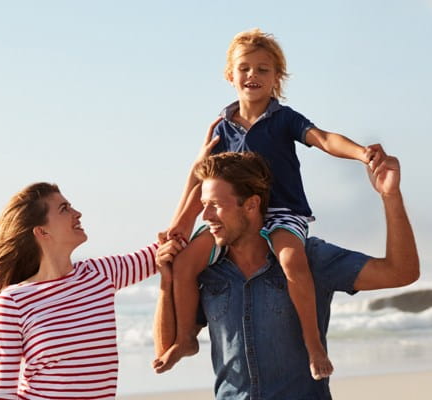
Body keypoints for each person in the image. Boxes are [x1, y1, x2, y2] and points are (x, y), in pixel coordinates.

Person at [156, 29, 384, 380]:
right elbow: (202, 181)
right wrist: (179, 225)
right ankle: (187, 338)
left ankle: (313, 345)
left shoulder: (284, 118)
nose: (253, 75)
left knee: (292, 260)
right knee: (185, 263)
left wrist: (362, 154)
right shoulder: (221, 128)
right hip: (233, 216)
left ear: (277, 77)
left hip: (282, 213)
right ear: (230, 75)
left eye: (263, 69)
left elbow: (324, 139)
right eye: (244, 68)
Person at [156, 151, 419, 399]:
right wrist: (166, 281)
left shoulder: (310, 258)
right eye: (204, 205)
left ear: (251, 205)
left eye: (214, 205)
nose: (205, 216)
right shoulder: (208, 272)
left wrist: (390, 196)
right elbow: (166, 350)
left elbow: (400, 273)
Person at [0, 182, 184, 399]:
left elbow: (173, 242)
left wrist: (195, 179)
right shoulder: (13, 301)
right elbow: (2, 393)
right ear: (42, 231)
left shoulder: (100, 273)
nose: (77, 213)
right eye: (64, 209)